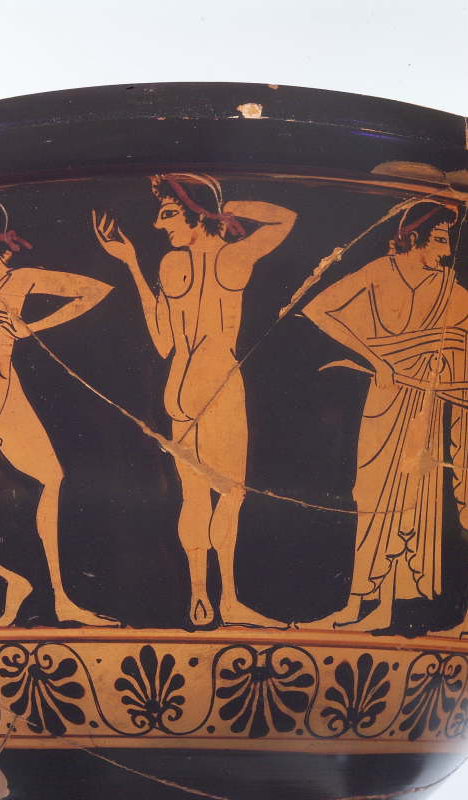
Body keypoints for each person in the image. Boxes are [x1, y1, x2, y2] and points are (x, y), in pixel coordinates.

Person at [93, 173, 296, 627]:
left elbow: (164, 343)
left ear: (197, 213)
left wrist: (133, 265)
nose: (158, 224)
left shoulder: (170, 266)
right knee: (232, 494)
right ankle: (229, 600)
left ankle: (199, 599)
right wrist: (231, 209)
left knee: (195, 496)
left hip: (178, 389)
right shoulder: (234, 259)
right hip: (219, 383)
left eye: (168, 213)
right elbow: (285, 220)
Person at [0, 191, 119, 628]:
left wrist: (30, 327)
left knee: (52, 481)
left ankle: (61, 601)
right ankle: (11, 581)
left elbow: (94, 290)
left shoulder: (20, 281)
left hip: (8, 400)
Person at [298, 200, 467, 632]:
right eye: (440, 239)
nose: (447, 249)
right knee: (372, 496)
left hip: (428, 405)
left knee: (416, 503)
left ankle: (392, 607)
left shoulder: (447, 287)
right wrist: (377, 359)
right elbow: (318, 309)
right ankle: (360, 602)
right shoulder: (380, 271)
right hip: (387, 398)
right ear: (414, 237)